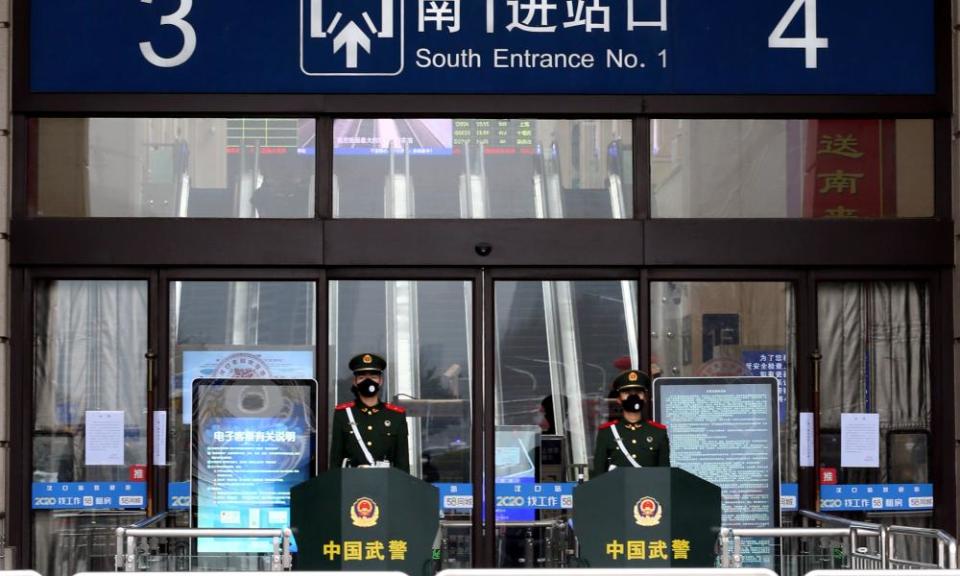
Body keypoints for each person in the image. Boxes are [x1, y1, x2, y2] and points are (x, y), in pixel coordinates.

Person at [330, 353, 410, 473]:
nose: (368, 381)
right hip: (352, 482)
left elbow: (402, 461)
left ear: (380, 381)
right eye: (362, 377)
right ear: (355, 382)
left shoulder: (396, 415)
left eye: (373, 377)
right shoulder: (343, 413)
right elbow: (336, 459)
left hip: (386, 483)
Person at [592, 369, 669, 477]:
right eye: (627, 393)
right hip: (617, 491)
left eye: (638, 392)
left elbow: (664, 475)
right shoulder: (607, 432)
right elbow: (598, 474)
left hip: (648, 492)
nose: (633, 397)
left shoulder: (658, 432)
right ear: (619, 399)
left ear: (645, 398)